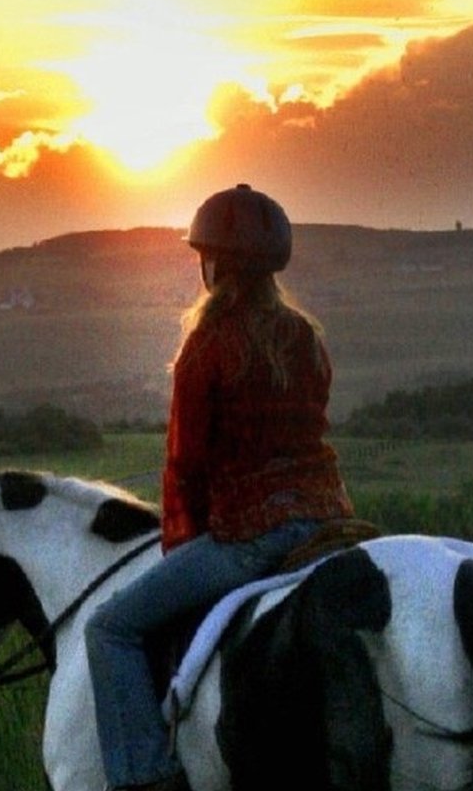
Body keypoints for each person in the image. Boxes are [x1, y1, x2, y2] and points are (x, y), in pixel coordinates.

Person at [84, 184, 356, 791]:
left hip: (250, 538)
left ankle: (146, 776)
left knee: (110, 628)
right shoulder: (307, 340)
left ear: (214, 265)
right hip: (331, 525)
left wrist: (180, 549)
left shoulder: (206, 347)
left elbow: (185, 464)